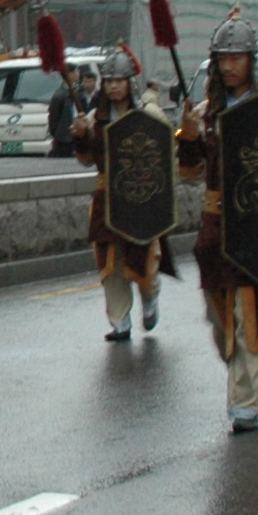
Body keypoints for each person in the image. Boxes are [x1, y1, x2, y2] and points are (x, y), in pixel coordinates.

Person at [176, 14, 258, 432]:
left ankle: (247, 402)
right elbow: (190, 172)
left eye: (238, 57)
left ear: (251, 61)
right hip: (216, 230)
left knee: (252, 315)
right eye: (224, 58)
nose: (230, 65)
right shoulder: (203, 113)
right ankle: (241, 381)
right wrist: (190, 137)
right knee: (222, 322)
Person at [67, 48, 172, 342]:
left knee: (143, 258)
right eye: (109, 80)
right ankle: (120, 320)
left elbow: (164, 152)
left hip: (140, 198)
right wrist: (81, 137)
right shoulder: (94, 118)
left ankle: (150, 296)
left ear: (130, 82)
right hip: (106, 198)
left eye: (120, 80)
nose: (114, 85)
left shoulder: (148, 114)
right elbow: (87, 160)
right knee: (109, 264)